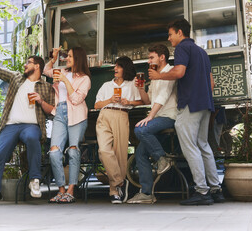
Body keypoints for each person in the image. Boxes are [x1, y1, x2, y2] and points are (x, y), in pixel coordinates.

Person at [0, 41, 55, 206]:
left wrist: (40, 100)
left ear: (37, 66)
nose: (24, 64)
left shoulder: (46, 87)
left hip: (31, 126)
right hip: (11, 125)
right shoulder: (16, 77)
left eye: (28, 62)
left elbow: (51, 110)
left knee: (31, 138)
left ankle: (34, 180)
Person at [149, 18, 225, 205]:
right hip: (205, 104)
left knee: (190, 146)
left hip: (190, 103)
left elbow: (180, 72)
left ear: (180, 33)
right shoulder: (202, 52)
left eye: (170, 34)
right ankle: (216, 190)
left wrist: (159, 76)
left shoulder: (183, 48)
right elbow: (211, 83)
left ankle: (202, 191)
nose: (169, 38)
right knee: (203, 145)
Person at [127, 44, 178, 204]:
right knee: (140, 153)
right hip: (158, 118)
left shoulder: (169, 73)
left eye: (151, 57)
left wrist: (150, 117)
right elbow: (148, 100)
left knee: (140, 130)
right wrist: (141, 88)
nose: (149, 61)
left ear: (162, 57)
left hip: (168, 116)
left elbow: (162, 97)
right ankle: (147, 194)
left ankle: (162, 159)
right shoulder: (155, 76)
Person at [43, 47, 91, 203]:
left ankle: (71, 190)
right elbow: (45, 70)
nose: (67, 58)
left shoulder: (85, 79)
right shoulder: (61, 71)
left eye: (70, 56)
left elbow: (77, 100)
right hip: (59, 114)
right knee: (54, 151)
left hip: (77, 115)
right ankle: (61, 190)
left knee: (73, 151)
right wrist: (53, 59)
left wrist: (65, 81)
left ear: (78, 58)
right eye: (67, 56)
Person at [95, 56, 143, 204]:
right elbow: (97, 105)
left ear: (125, 68)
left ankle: (114, 191)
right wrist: (110, 100)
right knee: (103, 150)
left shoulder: (132, 85)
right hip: (105, 115)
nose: (115, 69)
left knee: (120, 153)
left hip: (122, 114)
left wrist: (128, 102)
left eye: (119, 66)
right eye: (115, 66)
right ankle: (120, 181)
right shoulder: (106, 85)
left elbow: (142, 101)